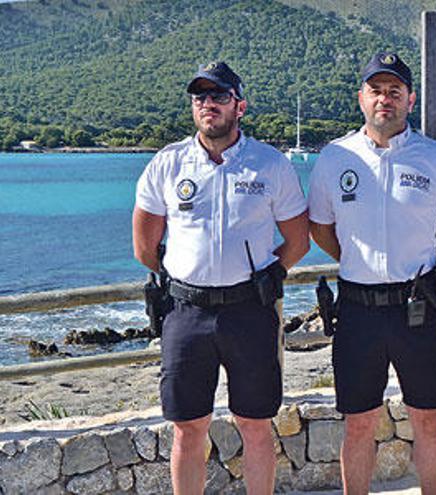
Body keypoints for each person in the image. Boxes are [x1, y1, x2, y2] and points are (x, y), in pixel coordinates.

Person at [132, 61, 310, 494]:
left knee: (255, 424)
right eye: (200, 97)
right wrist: (185, 277)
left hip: (249, 311)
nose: (208, 104)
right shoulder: (168, 163)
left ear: (240, 106)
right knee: (187, 428)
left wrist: (268, 277)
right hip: (186, 313)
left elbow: (298, 239)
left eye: (219, 96)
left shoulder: (270, 164)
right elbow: (144, 246)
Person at [308, 52, 436, 495]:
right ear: (361, 98)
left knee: (428, 421)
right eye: (376, 90)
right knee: (359, 424)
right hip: (358, 310)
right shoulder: (334, 158)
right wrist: (355, 256)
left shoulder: (433, 158)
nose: (386, 98)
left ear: (410, 99)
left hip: (416, 308)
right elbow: (321, 229)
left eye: (395, 91)